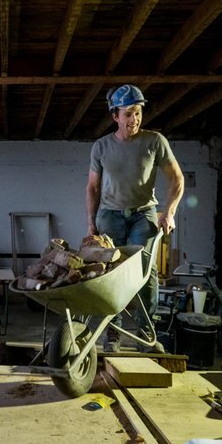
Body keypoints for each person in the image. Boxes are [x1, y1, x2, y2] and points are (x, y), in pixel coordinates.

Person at [86, 84, 184, 352]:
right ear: (115, 116)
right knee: (111, 273)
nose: (134, 119)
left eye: (138, 112)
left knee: (144, 272)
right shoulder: (101, 147)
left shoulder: (155, 142)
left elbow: (176, 178)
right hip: (110, 215)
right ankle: (113, 335)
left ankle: (146, 332)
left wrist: (169, 212)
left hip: (144, 214)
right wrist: (91, 223)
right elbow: (93, 187)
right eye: (128, 113)